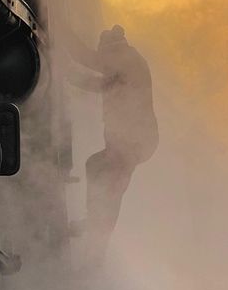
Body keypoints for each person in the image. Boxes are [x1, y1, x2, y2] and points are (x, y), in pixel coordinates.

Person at [64, 24, 158, 255]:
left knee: (107, 179)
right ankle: (96, 227)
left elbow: (86, 61)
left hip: (133, 141)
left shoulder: (124, 60)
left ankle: (97, 237)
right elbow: (100, 82)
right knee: (102, 173)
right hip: (134, 141)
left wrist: (60, 29)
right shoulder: (127, 63)